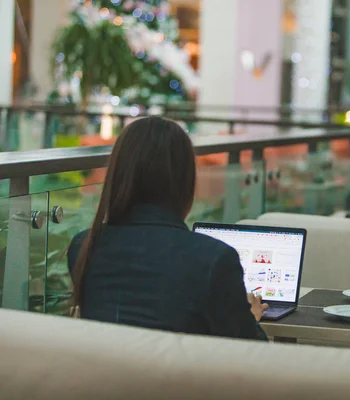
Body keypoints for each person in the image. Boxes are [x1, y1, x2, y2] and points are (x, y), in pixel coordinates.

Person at [67, 117, 268, 340]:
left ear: (118, 173)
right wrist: (250, 317)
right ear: (185, 181)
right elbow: (252, 355)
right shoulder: (214, 259)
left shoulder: (84, 246)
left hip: (102, 374)